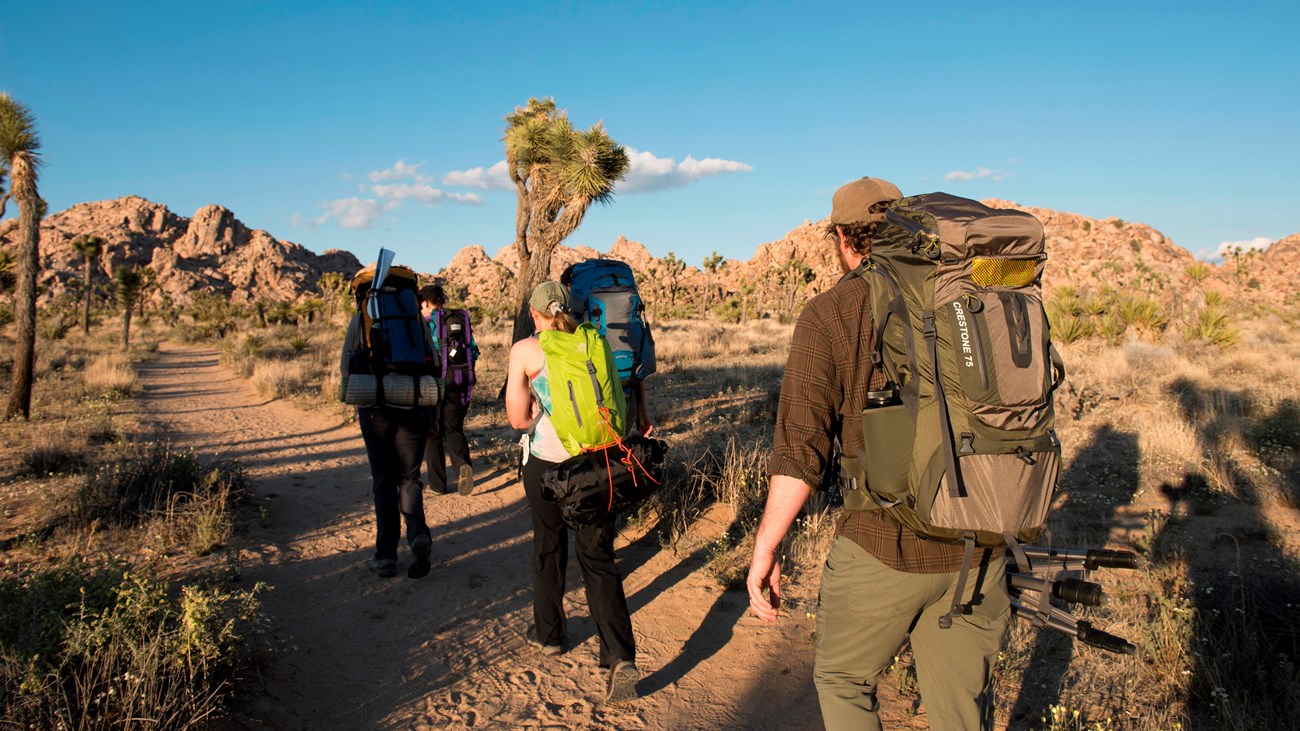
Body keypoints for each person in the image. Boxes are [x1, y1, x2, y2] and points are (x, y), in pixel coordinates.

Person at [745, 177, 1010, 730]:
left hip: (886, 541)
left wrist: (765, 547)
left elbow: (800, 451)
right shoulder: (974, 299)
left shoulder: (831, 312)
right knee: (962, 713)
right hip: (982, 540)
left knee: (844, 680)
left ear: (842, 238)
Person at [504, 281, 639, 705]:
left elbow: (517, 419)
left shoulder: (526, 350)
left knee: (548, 546)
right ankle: (619, 656)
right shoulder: (592, 341)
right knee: (598, 559)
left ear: (533, 310)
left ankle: (549, 635)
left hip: (547, 466)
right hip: (598, 466)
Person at [341, 265, 435, 580]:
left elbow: (346, 370)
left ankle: (385, 557)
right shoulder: (415, 322)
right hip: (415, 404)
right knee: (410, 479)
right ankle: (418, 533)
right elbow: (433, 364)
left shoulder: (359, 322)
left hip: (375, 408)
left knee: (383, 481)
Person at [420, 283, 479, 496]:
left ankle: (437, 485)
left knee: (433, 434)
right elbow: (474, 352)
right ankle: (463, 467)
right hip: (458, 383)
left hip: (432, 384)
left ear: (425, 303)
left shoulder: (426, 324)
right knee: (454, 430)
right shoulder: (459, 320)